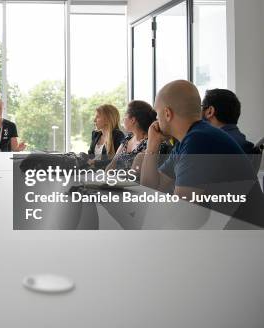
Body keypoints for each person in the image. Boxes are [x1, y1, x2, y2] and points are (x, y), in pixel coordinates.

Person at [140, 80, 263, 228]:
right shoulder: (189, 139)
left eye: (157, 113)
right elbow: (151, 186)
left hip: (244, 240)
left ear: (167, 113)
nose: (156, 120)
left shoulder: (199, 140)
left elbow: (182, 216)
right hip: (226, 233)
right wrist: (152, 146)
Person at [107, 100, 158, 172]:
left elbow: (136, 175)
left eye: (125, 116)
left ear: (133, 120)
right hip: (115, 181)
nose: (123, 119)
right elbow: (112, 163)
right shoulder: (128, 137)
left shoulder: (151, 143)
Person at [201, 88, 255, 153]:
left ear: (210, 111)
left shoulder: (211, 146)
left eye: (202, 106)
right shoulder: (242, 142)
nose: (200, 111)